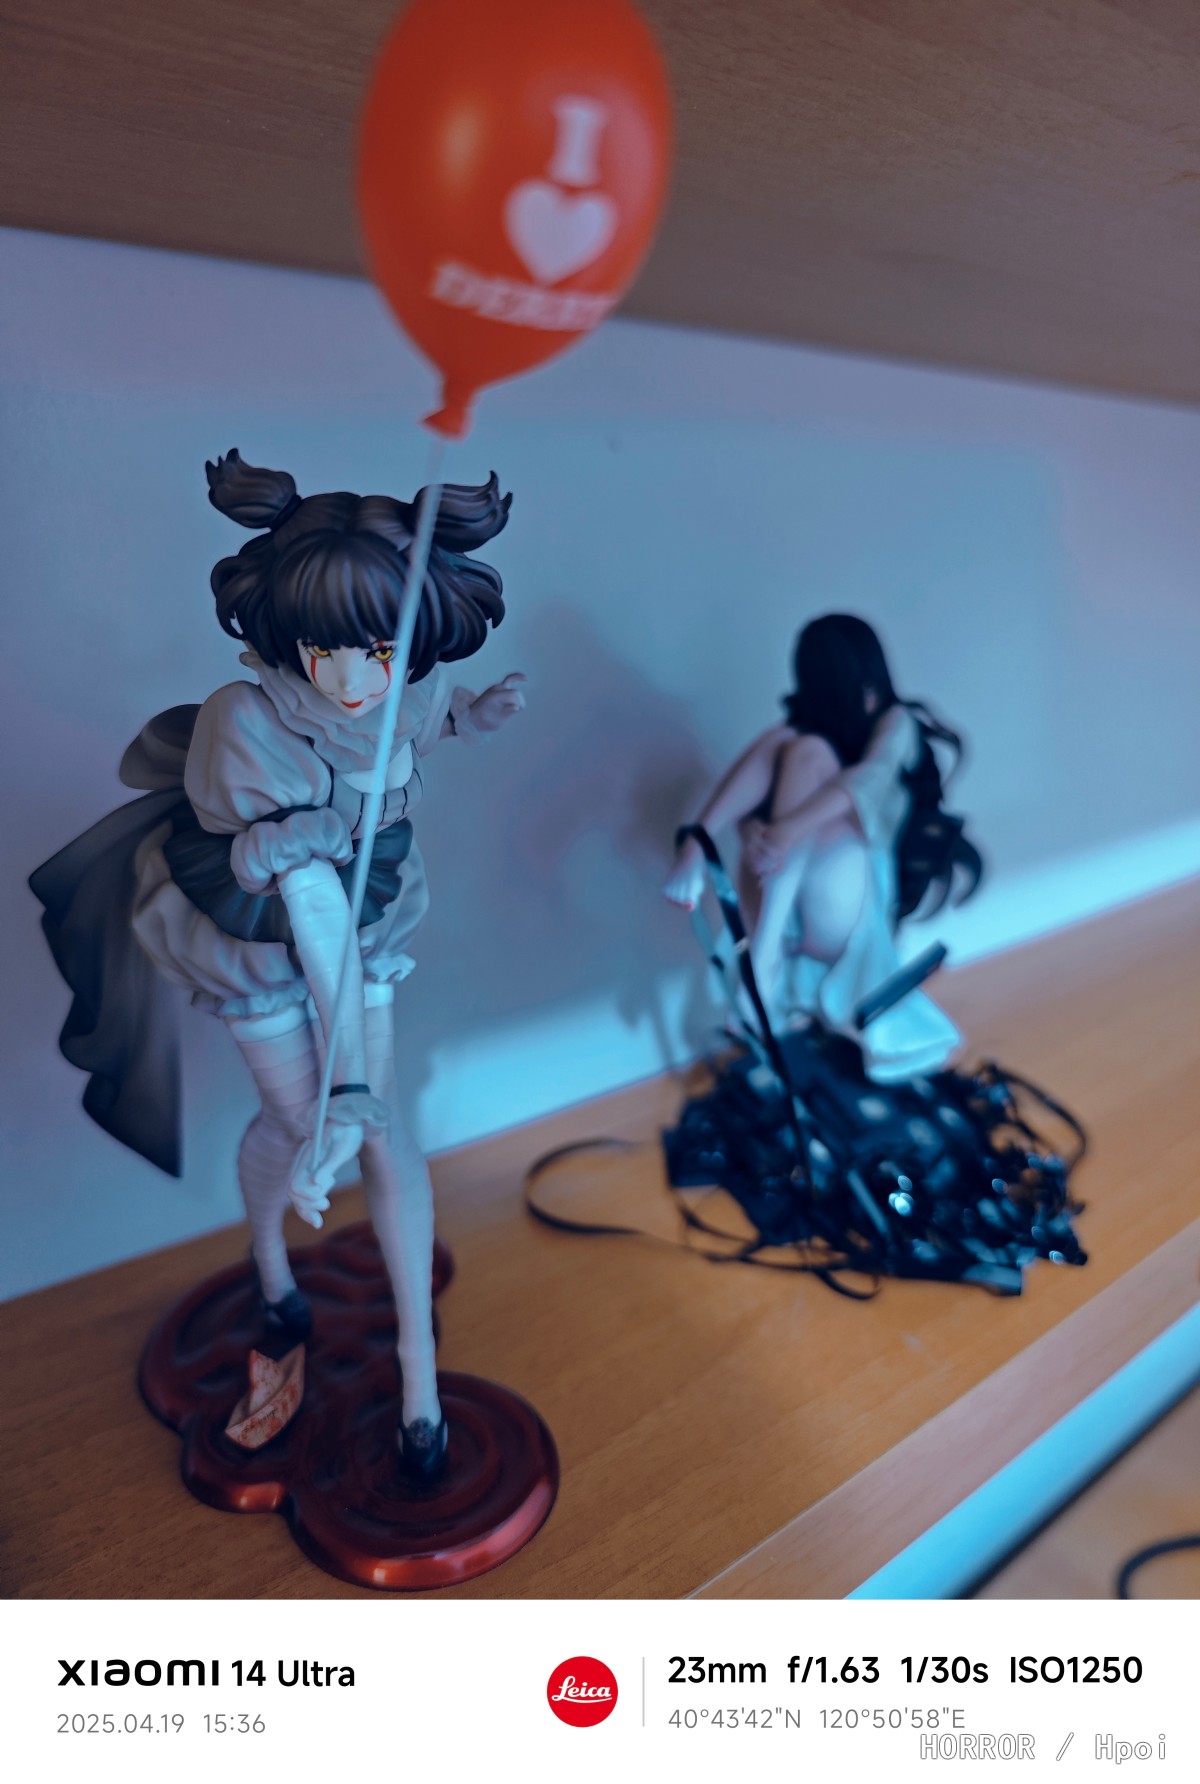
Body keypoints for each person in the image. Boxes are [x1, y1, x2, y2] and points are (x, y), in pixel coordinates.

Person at [31, 451, 525, 1478]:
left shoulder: (406, 684)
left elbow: (423, 716)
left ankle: (420, 1384)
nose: (351, 682)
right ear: (286, 635)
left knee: (383, 1130)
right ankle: (271, 1267)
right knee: (305, 1121)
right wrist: (340, 1094)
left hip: (367, 906)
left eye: (379, 649)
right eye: (323, 650)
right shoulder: (249, 721)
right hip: (260, 920)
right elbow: (301, 901)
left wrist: (473, 715)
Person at [664, 613, 981, 1082]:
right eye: (852, 686)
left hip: (849, 913)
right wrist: (747, 831)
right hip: (794, 911)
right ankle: (707, 862)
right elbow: (772, 778)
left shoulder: (897, 724)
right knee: (789, 745)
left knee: (805, 754)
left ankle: (762, 965)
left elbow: (867, 781)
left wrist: (786, 829)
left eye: (868, 684)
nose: (867, 697)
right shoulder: (798, 744)